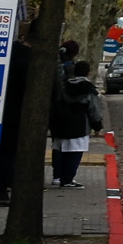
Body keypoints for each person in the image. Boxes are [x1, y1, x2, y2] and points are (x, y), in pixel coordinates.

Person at [50, 40, 104, 188]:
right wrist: (98, 125)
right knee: (75, 151)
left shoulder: (64, 86)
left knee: (59, 149)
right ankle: (68, 179)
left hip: (61, 122)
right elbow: (93, 109)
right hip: (79, 125)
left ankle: (57, 176)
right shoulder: (88, 89)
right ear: (88, 73)